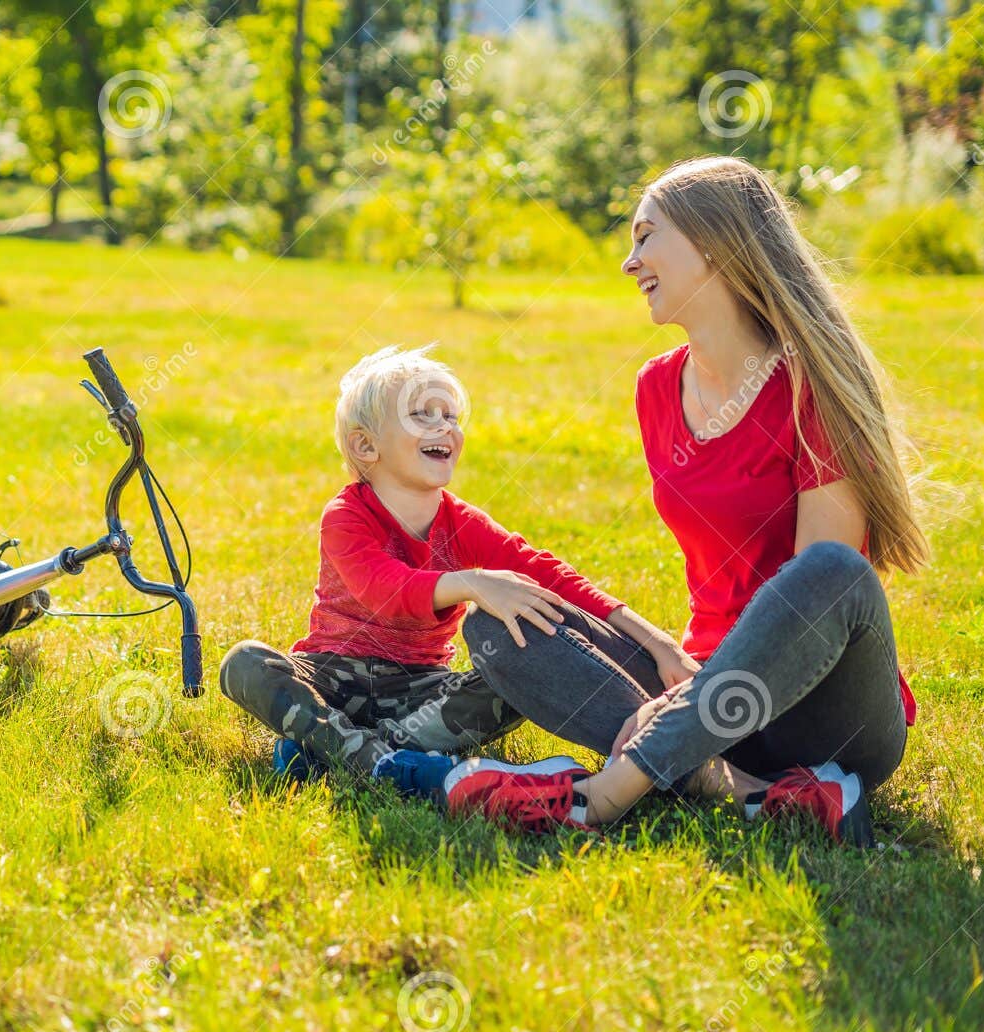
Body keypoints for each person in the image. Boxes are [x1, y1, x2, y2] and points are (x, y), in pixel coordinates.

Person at [460, 156, 927, 847]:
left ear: (712, 242)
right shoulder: (656, 390)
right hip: (711, 697)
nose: (629, 261)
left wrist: (683, 704)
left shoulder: (811, 384)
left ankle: (620, 785)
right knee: (502, 624)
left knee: (833, 571)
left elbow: (814, 599)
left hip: (821, 708)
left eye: (646, 236)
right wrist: (678, 675)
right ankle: (749, 791)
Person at [218, 344, 692, 818]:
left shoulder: (461, 520)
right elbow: (384, 590)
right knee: (245, 663)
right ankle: (382, 762)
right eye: (422, 415)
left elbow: (554, 578)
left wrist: (658, 643)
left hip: (421, 691)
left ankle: (335, 750)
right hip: (331, 674)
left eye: (450, 415)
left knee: (516, 672)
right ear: (367, 446)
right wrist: (473, 582)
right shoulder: (346, 516)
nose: (444, 425)